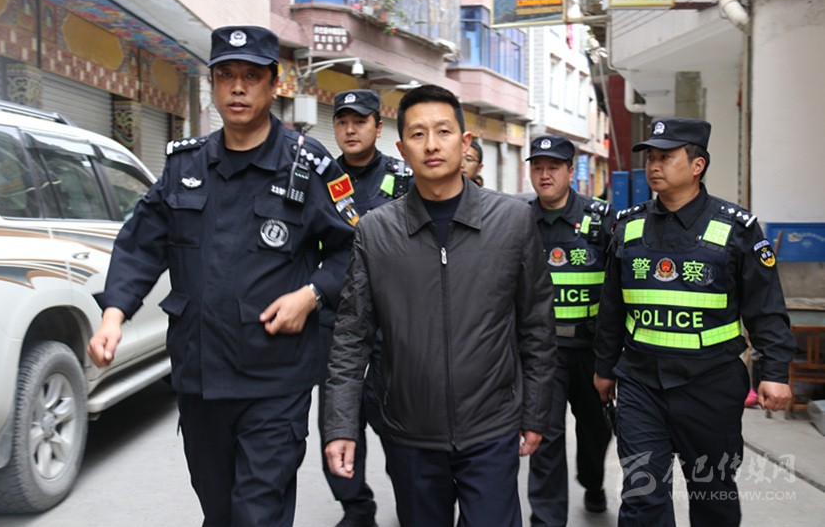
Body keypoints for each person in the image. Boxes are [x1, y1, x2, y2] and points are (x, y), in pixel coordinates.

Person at [86, 26, 357, 527]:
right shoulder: (184, 164)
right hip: (200, 376)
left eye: (251, 77)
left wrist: (311, 295)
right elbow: (141, 244)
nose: (237, 88)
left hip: (275, 379)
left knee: (258, 513)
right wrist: (113, 316)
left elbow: (355, 250)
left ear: (273, 84)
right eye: (226, 75)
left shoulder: (307, 165)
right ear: (212, 84)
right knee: (219, 511)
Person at [323, 84, 558, 526]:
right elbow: (351, 337)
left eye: (443, 131)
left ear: (465, 142)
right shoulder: (376, 232)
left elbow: (537, 326)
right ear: (401, 149)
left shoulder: (511, 221)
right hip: (410, 433)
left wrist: (535, 412)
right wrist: (340, 425)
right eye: (418, 134)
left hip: (492, 428)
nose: (431, 145)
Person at [593, 118, 795, 526]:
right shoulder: (628, 226)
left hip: (710, 384)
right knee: (642, 496)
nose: (654, 165)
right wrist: (604, 367)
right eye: (651, 157)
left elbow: (765, 307)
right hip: (641, 383)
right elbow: (612, 306)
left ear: (697, 165)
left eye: (665, 157)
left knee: (712, 494)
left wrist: (775, 372)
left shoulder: (736, 228)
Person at [318, 88, 411, 527]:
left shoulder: (403, 178)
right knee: (339, 421)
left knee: (399, 423)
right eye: (342, 122)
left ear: (378, 126)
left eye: (359, 121)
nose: (350, 130)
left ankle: (415, 502)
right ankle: (356, 508)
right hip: (335, 321)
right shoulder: (321, 179)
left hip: (392, 323)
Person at [524, 135, 614, 525]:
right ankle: (547, 519)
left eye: (553, 167)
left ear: (571, 171)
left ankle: (592, 480)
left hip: (591, 349)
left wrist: (613, 355)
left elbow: (619, 287)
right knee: (544, 436)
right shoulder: (518, 220)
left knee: (597, 430)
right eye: (537, 167)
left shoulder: (602, 219)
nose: (545, 175)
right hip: (541, 352)